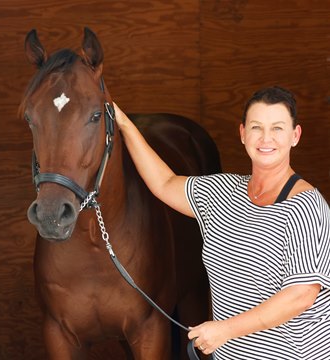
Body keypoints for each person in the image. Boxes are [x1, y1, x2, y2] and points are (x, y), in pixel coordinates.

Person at [113, 86, 330, 360]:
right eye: (256, 127)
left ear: (294, 136)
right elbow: (165, 182)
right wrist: (122, 123)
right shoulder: (221, 193)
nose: (265, 138)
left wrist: (224, 330)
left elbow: (301, 294)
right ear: (242, 133)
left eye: (277, 128)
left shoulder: (305, 206)